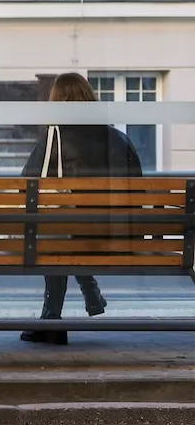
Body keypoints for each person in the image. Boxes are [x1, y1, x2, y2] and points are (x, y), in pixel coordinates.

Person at [18, 72, 143, 346]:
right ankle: (89, 289)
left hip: (73, 236)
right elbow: (138, 188)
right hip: (120, 236)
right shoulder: (118, 137)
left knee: (57, 234)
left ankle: (51, 319)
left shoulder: (55, 139)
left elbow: (25, 184)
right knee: (70, 230)